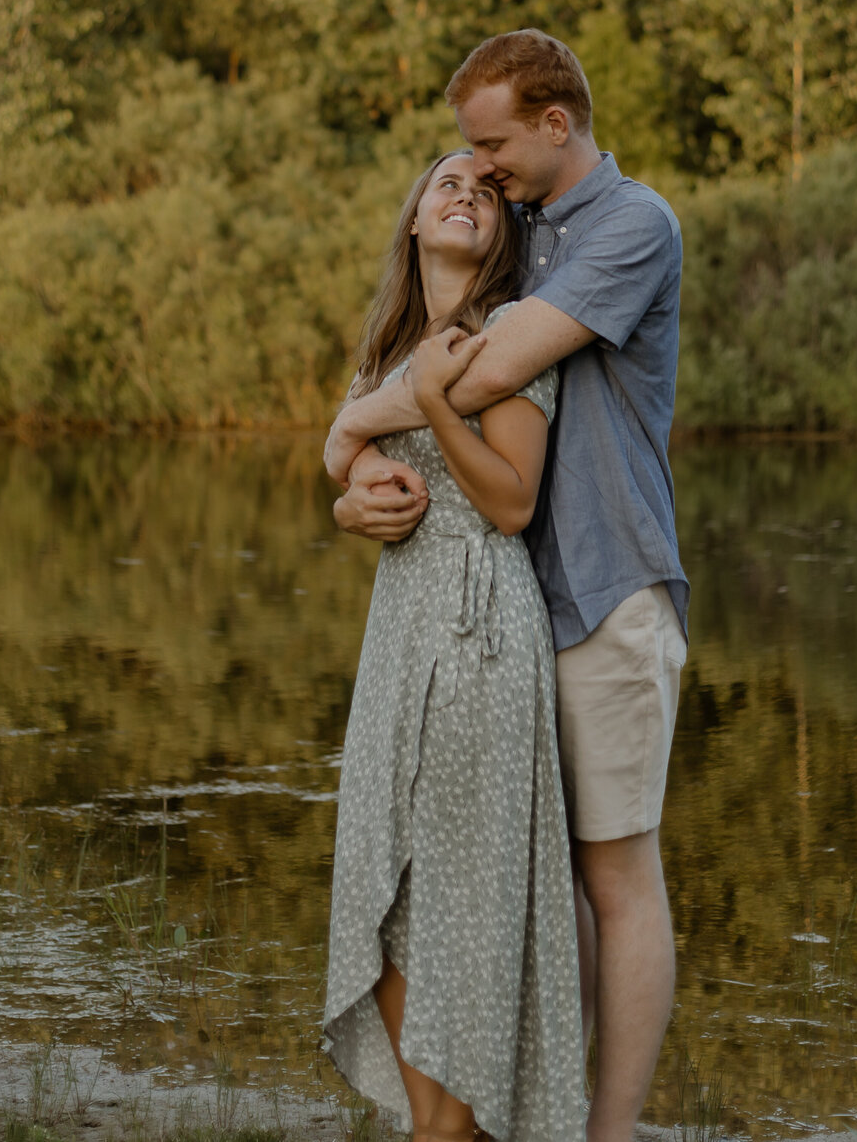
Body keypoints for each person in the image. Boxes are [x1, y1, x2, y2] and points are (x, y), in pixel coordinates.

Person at [326, 30, 688, 1142]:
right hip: (513, 612)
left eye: (491, 144)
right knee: (537, 881)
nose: (478, 168)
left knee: (616, 873)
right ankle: (530, 1110)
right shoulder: (524, 228)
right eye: (463, 156)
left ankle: (605, 1133)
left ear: (554, 123)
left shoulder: (632, 223)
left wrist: (345, 426)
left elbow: (485, 363)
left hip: (608, 586)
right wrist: (344, 481)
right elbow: (434, 340)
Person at [323, 149, 587, 1142]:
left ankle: (450, 1131)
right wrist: (353, 502)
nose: (468, 191)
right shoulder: (386, 353)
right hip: (396, 632)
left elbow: (514, 501)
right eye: (447, 182)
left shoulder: (515, 338)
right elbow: (350, 463)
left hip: (484, 630)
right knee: (385, 890)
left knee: (467, 902)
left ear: (506, 229)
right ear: (413, 221)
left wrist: (437, 401)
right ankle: (437, 1130)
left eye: (486, 186)